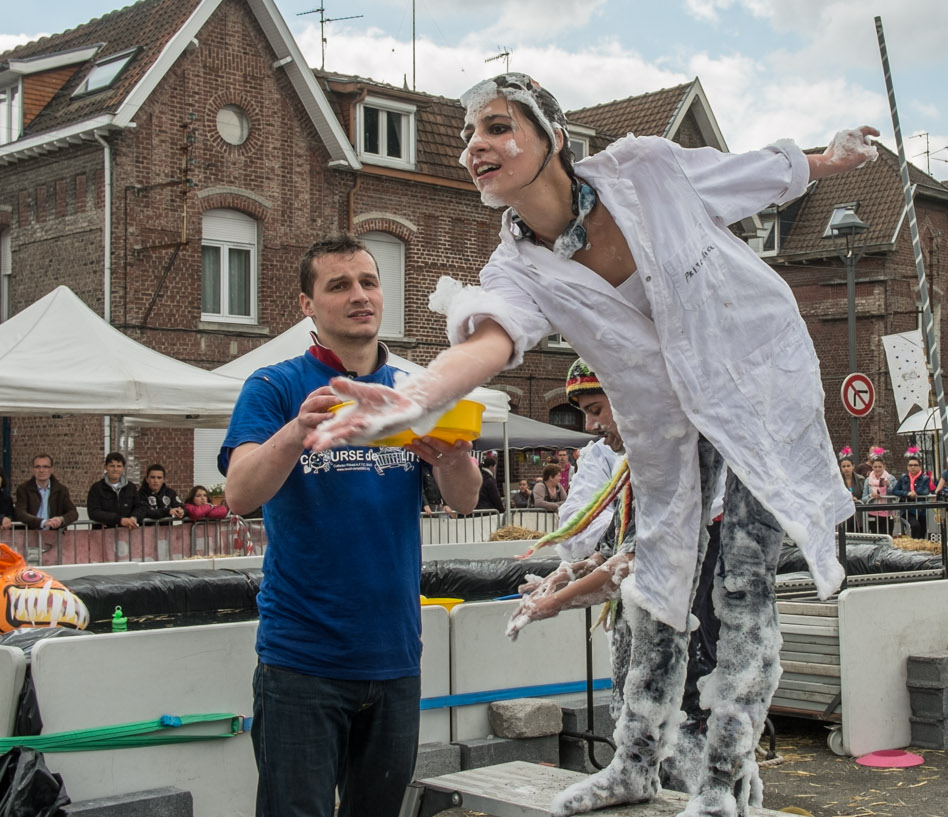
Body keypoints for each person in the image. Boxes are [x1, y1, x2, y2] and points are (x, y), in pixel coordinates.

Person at [304, 74, 871, 813]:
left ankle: (726, 782)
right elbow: (489, 341)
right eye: (471, 136)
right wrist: (415, 398)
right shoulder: (516, 269)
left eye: (499, 128)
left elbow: (750, 175)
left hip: (754, 375)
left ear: (553, 137)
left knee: (741, 581)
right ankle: (636, 760)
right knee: (657, 580)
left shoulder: (644, 170)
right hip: (665, 418)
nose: (478, 147)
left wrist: (828, 158)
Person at [221, 234, 482, 816]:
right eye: (338, 285)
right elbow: (239, 495)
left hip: (394, 656)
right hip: (301, 659)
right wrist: (295, 431)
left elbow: (465, 501)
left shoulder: (415, 391)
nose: (359, 295)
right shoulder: (274, 386)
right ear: (306, 305)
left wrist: (451, 455)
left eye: (368, 281)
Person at [509, 359, 730, 793]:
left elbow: (633, 562)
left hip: (686, 671)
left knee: (689, 784)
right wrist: (566, 572)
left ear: (631, 399)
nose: (591, 425)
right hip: (647, 665)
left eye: (596, 409)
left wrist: (553, 604)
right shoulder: (637, 466)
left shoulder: (677, 462)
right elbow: (613, 550)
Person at [13, 454, 77, 532]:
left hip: (54, 536)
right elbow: (20, 513)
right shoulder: (23, 489)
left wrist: (61, 519)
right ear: (33, 470)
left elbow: (73, 512)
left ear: (51, 470)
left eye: (45, 467)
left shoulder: (61, 490)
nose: (41, 470)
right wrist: (42, 522)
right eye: (37, 467)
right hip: (31, 534)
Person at [87, 452, 140, 530]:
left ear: (123, 468)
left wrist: (134, 518)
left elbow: (139, 506)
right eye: (112, 466)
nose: (115, 469)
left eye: (119, 466)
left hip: (126, 534)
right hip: (103, 534)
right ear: (105, 467)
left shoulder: (131, 487)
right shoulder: (97, 488)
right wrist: (119, 520)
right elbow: (94, 512)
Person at [894, 456, 937, 539]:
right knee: (915, 525)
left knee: (922, 530)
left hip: (922, 509)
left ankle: (920, 546)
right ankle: (914, 544)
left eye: (915, 465)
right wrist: (907, 493)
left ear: (920, 467)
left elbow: (925, 490)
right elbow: (895, 490)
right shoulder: (903, 478)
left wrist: (915, 492)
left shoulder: (925, 478)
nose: (913, 467)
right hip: (907, 510)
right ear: (907, 467)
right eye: (910, 465)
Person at [861, 456, 898, 536]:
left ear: (884, 467)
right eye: (875, 467)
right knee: (875, 538)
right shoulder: (868, 480)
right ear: (872, 467)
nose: (877, 469)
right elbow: (863, 499)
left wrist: (889, 486)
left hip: (887, 513)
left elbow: (896, 495)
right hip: (872, 513)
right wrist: (871, 495)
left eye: (880, 467)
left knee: (887, 537)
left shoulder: (891, 478)